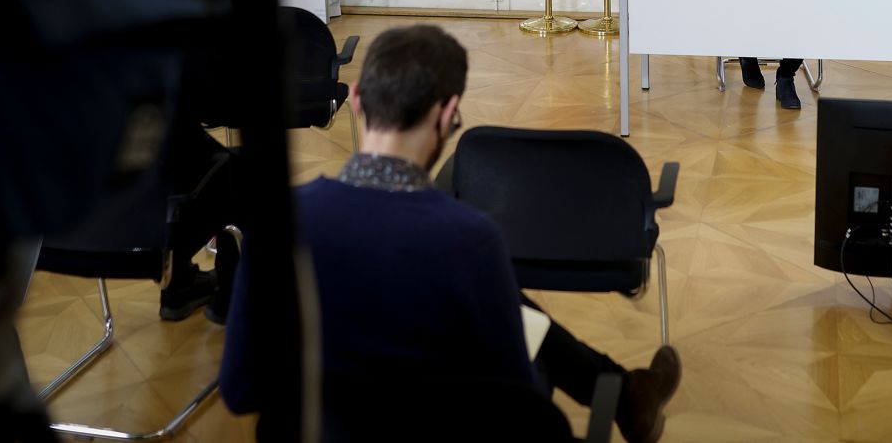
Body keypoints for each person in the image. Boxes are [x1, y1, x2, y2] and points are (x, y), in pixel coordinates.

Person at [220, 24, 682, 443]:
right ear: (447, 116)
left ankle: (628, 394)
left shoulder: (279, 222)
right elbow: (517, 403)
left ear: (357, 100)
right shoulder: (467, 238)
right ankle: (626, 395)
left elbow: (241, 391)